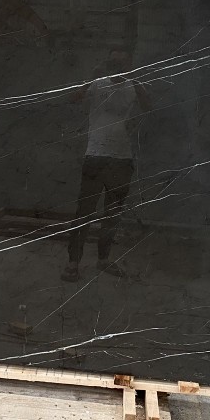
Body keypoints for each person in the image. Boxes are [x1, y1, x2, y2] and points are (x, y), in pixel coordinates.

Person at [62, 51, 150, 282]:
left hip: (121, 158)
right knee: (84, 211)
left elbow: (148, 107)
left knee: (113, 213)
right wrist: (92, 77)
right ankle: (73, 262)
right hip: (97, 155)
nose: (119, 67)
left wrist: (135, 79)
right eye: (115, 62)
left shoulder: (133, 85)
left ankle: (103, 259)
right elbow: (73, 98)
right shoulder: (99, 84)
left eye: (123, 63)